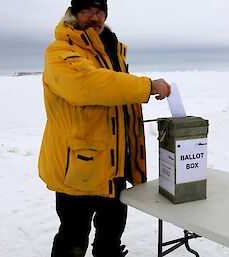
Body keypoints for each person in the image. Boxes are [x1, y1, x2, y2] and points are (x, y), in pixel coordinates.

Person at [38, 0, 171, 256]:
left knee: (110, 235)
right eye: (87, 11)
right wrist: (145, 86)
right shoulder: (60, 51)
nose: (95, 17)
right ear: (74, 14)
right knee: (73, 238)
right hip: (78, 168)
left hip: (114, 165)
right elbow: (87, 85)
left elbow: (115, 90)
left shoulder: (111, 52)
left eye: (100, 12)